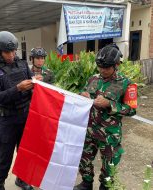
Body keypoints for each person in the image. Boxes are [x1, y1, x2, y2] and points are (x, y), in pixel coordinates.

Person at [74, 44, 136, 190]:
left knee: (109, 165)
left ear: (116, 65)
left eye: (106, 67)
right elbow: (83, 95)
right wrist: (83, 96)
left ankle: (105, 186)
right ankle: (86, 183)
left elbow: (131, 110)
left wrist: (110, 104)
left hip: (109, 134)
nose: (102, 70)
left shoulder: (126, 83)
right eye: (100, 67)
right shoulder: (93, 78)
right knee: (84, 159)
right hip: (89, 131)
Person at [0, 31, 41, 190]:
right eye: (6, 52)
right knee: (5, 154)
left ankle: (22, 179)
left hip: (25, 116)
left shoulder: (23, 64)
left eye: (13, 51)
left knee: (25, 151)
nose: (10, 55)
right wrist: (18, 88)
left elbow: (31, 85)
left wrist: (36, 82)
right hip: (7, 119)